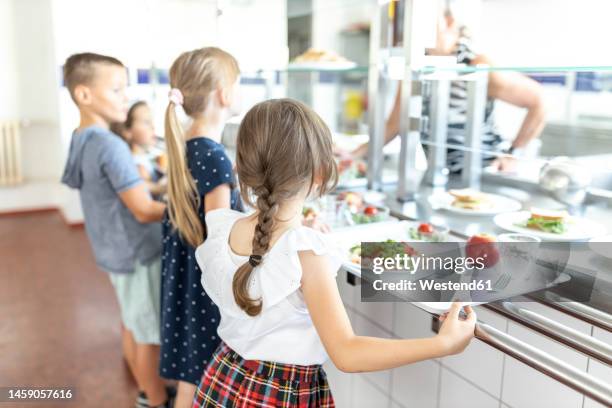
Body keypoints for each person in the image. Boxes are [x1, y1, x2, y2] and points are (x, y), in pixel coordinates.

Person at [193, 98, 476, 407]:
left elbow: (270, 252)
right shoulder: (306, 253)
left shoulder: (226, 228)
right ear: (320, 173)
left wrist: (302, 233)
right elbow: (347, 353)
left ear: (242, 169)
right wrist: (443, 343)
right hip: (278, 396)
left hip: (223, 379)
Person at [60, 53, 172, 408]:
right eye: (117, 89)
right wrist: (185, 211)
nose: (125, 96)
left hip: (111, 250)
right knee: (149, 336)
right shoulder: (111, 145)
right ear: (84, 95)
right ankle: (153, 399)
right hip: (137, 253)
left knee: (131, 324)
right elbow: (143, 210)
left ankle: (145, 387)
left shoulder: (81, 137)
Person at [350, 7, 546, 173]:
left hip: (484, 173)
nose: (414, 30)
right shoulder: (417, 65)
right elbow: (395, 124)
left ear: (449, 23)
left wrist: (513, 154)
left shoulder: (476, 64)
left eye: (423, 22)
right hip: (440, 175)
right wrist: (352, 154)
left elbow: (539, 102)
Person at [159, 47, 243, 408]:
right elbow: (220, 235)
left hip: (185, 282)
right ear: (224, 92)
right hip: (207, 288)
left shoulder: (189, 147)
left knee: (190, 378)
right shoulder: (214, 155)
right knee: (204, 377)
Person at [111, 101, 167, 198]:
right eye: (146, 122)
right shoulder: (138, 167)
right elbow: (140, 187)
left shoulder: (145, 160)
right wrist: (163, 188)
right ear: (127, 131)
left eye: (152, 121)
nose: (153, 127)